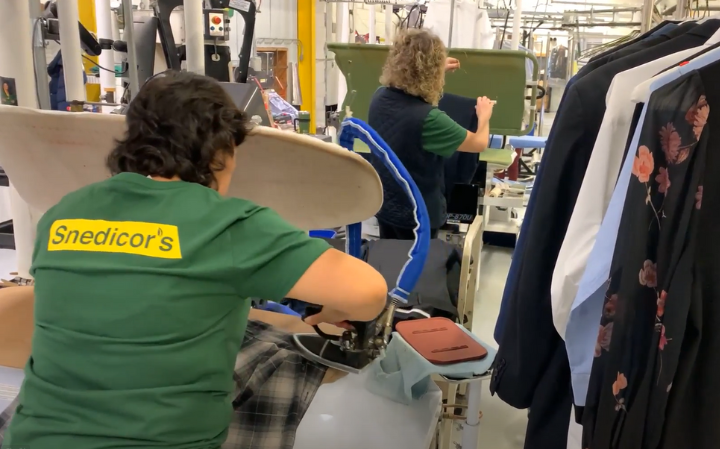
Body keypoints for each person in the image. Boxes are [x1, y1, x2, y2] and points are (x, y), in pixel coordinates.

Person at [3, 71, 388, 449]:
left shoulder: (64, 213)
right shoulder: (225, 224)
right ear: (221, 152)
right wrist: (333, 308)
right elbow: (369, 293)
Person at [368, 29, 494, 240]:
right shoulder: (429, 119)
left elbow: (409, 79)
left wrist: (435, 68)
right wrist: (484, 116)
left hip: (386, 205)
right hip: (418, 215)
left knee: (390, 255)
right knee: (419, 261)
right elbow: (479, 143)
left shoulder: (379, 97)